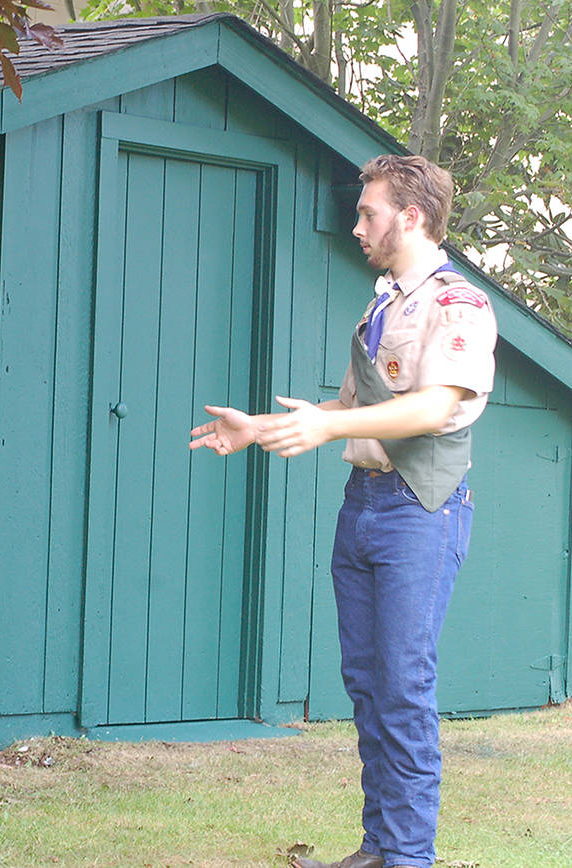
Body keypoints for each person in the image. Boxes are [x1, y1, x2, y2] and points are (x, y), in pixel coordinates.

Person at [189, 154, 497, 868]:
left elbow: (436, 407)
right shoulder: (383, 301)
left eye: (369, 212)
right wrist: (258, 428)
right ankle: (380, 848)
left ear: (411, 216)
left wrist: (329, 429)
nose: (358, 225)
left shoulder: (458, 303)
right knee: (366, 684)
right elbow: (353, 412)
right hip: (365, 504)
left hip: (421, 510)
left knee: (402, 687)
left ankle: (409, 858)